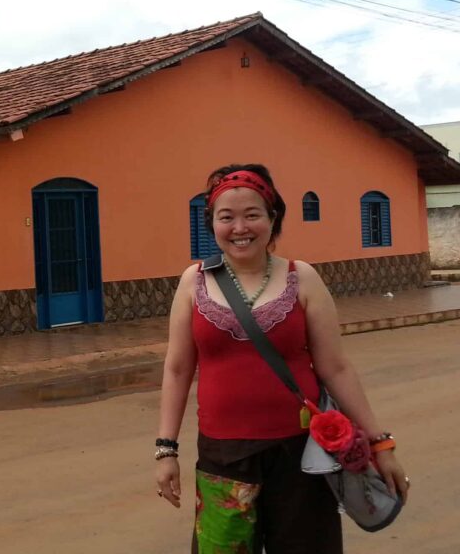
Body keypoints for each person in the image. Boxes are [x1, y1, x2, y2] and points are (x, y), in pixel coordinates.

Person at [155, 163, 409, 553]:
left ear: (273, 219)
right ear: (212, 224)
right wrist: (166, 450)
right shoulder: (194, 282)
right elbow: (177, 369)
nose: (240, 228)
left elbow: (336, 367)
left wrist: (379, 444)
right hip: (224, 456)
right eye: (227, 217)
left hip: (303, 453)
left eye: (252, 214)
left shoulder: (302, 277)